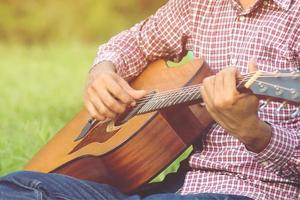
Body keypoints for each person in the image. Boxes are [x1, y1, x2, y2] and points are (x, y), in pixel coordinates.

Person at [0, 0, 299, 199]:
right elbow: (133, 41)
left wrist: (255, 133)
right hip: (180, 186)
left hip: (255, 191)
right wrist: (104, 72)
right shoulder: (200, 4)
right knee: (17, 187)